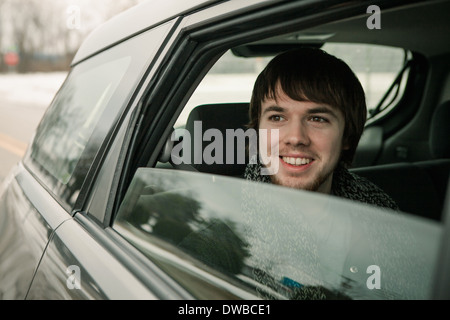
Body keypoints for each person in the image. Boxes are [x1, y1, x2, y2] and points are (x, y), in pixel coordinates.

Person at [244, 47, 398, 210]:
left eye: (317, 119)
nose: (296, 138)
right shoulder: (223, 219)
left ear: (346, 135)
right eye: (277, 118)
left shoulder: (380, 211)